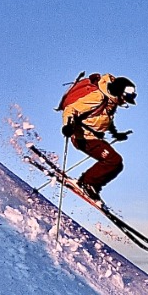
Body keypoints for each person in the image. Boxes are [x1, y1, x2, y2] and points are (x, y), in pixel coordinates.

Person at [59, 73, 137, 201]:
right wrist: (67, 125)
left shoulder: (111, 101)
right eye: (124, 98)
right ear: (118, 92)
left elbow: (105, 119)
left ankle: (90, 184)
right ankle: (87, 183)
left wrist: (116, 133)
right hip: (83, 137)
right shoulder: (98, 97)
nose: (124, 102)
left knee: (117, 164)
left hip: (92, 138)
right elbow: (71, 109)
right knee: (114, 160)